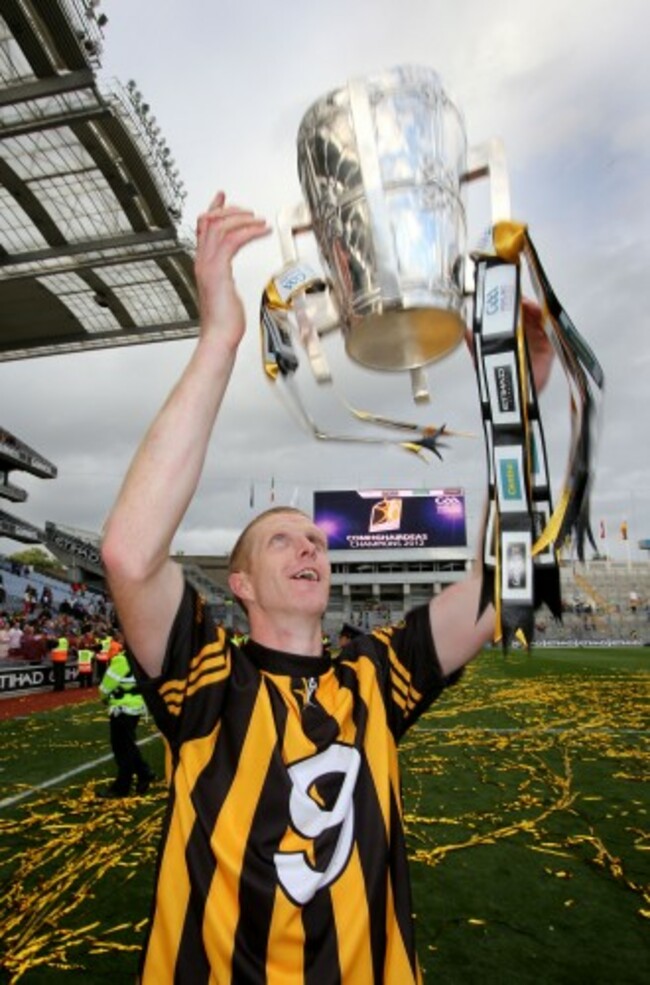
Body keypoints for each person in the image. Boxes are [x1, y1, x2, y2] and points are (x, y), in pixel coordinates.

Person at [101, 192, 555, 983]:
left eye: (315, 538)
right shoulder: (207, 677)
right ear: (240, 582)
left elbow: (497, 586)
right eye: (283, 539)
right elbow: (129, 554)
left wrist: (518, 399)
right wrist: (221, 337)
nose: (311, 544)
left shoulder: (376, 676)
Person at [97, 636, 155, 798]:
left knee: (122, 748)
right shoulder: (142, 661)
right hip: (136, 707)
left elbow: (105, 687)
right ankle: (143, 773)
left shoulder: (121, 661)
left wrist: (104, 699)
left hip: (121, 708)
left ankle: (123, 786)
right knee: (128, 745)